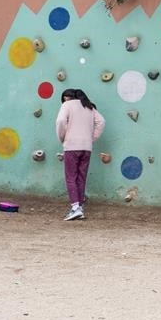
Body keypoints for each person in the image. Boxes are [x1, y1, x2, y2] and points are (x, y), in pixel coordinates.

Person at [55, 88, 105, 221]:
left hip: (71, 146)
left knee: (71, 177)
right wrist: (91, 138)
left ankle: (75, 208)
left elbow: (60, 122)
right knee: (81, 177)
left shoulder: (67, 105)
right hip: (86, 147)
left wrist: (62, 137)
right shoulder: (89, 107)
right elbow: (101, 122)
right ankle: (80, 207)